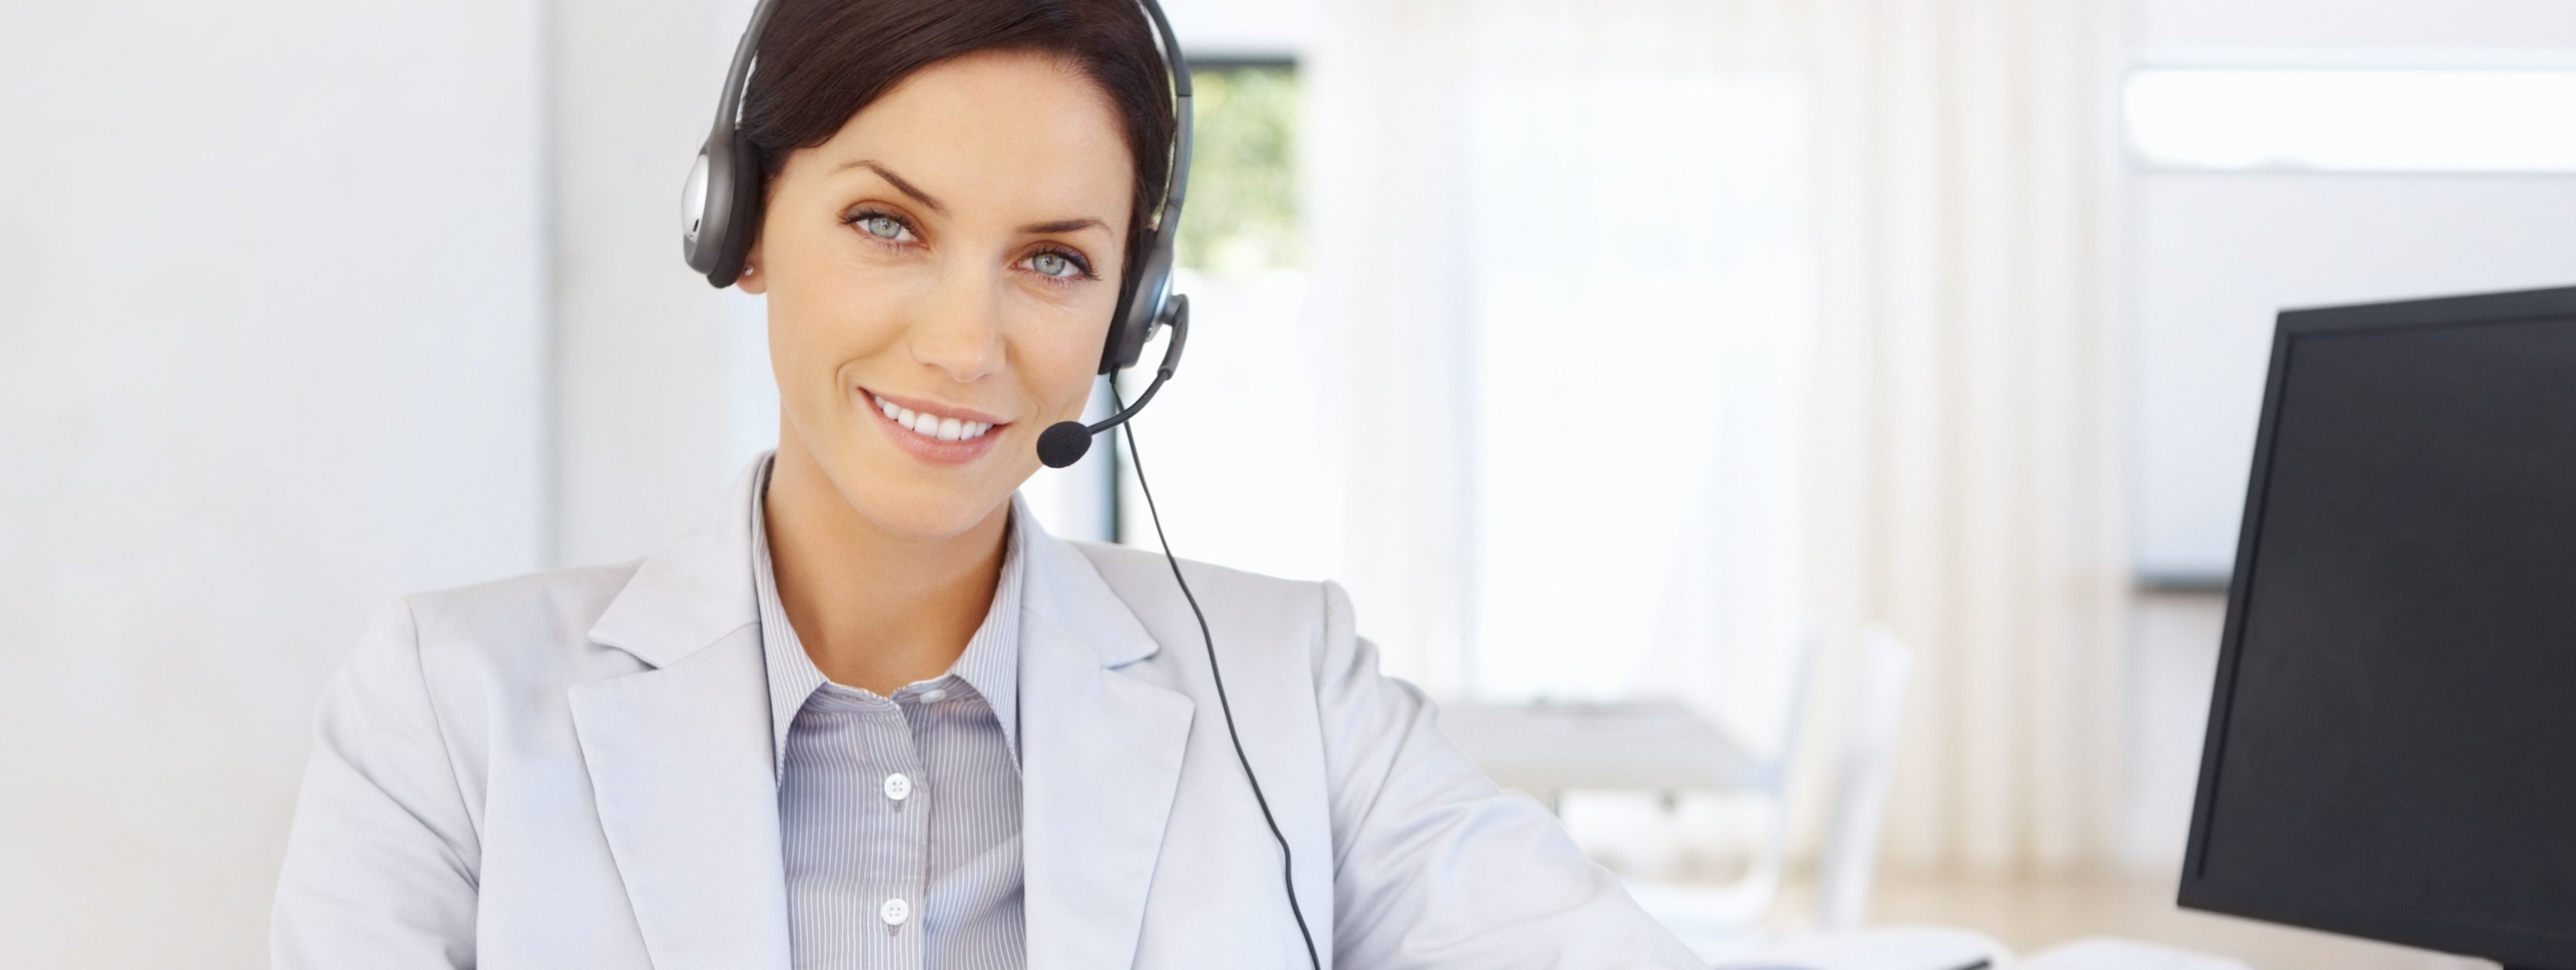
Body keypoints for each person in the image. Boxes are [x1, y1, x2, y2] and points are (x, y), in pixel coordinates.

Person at [266, 1, 1704, 967]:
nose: (966, 344)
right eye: (889, 223)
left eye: (1055, 260)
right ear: (743, 225)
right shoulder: (445, 715)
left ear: (1133, 311)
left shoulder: (1294, 695)